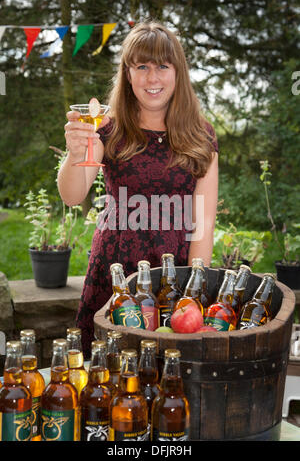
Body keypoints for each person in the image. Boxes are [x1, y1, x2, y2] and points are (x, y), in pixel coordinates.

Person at [57, 21, 219, 358]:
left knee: (165, 370)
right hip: (114, 269)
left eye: (162, 66)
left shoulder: (201, 136)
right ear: (128, 74)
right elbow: (72, 195)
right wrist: (75, 154)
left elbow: (203, 225)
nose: (152, 77)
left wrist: (192, 289)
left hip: (172, 276)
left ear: (178, 72)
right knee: (106, 371)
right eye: (141, 66)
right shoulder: (108, 128)